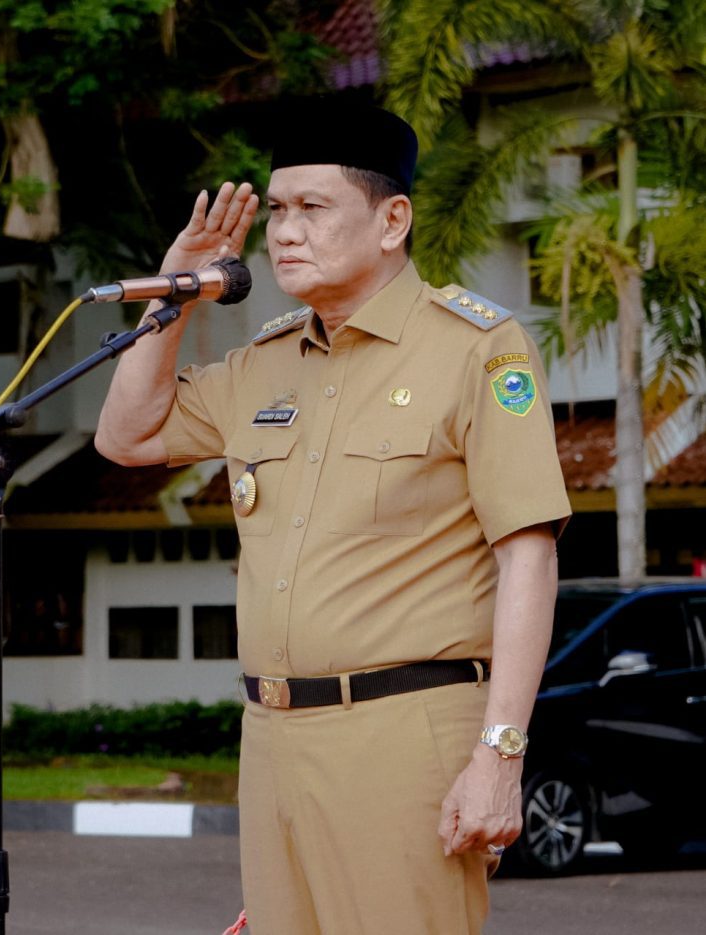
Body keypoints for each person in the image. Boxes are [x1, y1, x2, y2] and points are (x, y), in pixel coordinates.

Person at [94, 98, 571, 934]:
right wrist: (176, 293)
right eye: (277, 210)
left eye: (314, 208)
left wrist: (500, 755)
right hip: (272, 737)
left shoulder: (475, 347)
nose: (284, 231)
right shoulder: (266, 362)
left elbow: (526, 557)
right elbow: (127, 434)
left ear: (393, 220)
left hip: (403, 733)